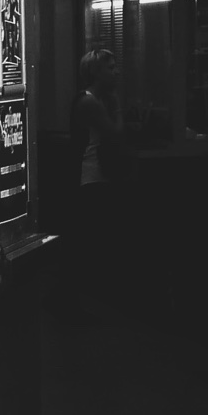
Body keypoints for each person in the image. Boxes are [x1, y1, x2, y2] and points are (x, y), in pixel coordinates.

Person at [70, 47, 128, 303]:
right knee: (96, 241)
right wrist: (117, 106)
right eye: (110, 68)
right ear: (96, 72)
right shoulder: (90, 102)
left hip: (97, 176)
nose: (116, 72)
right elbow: (115, 133)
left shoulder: (93, 100)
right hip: (92, 178)